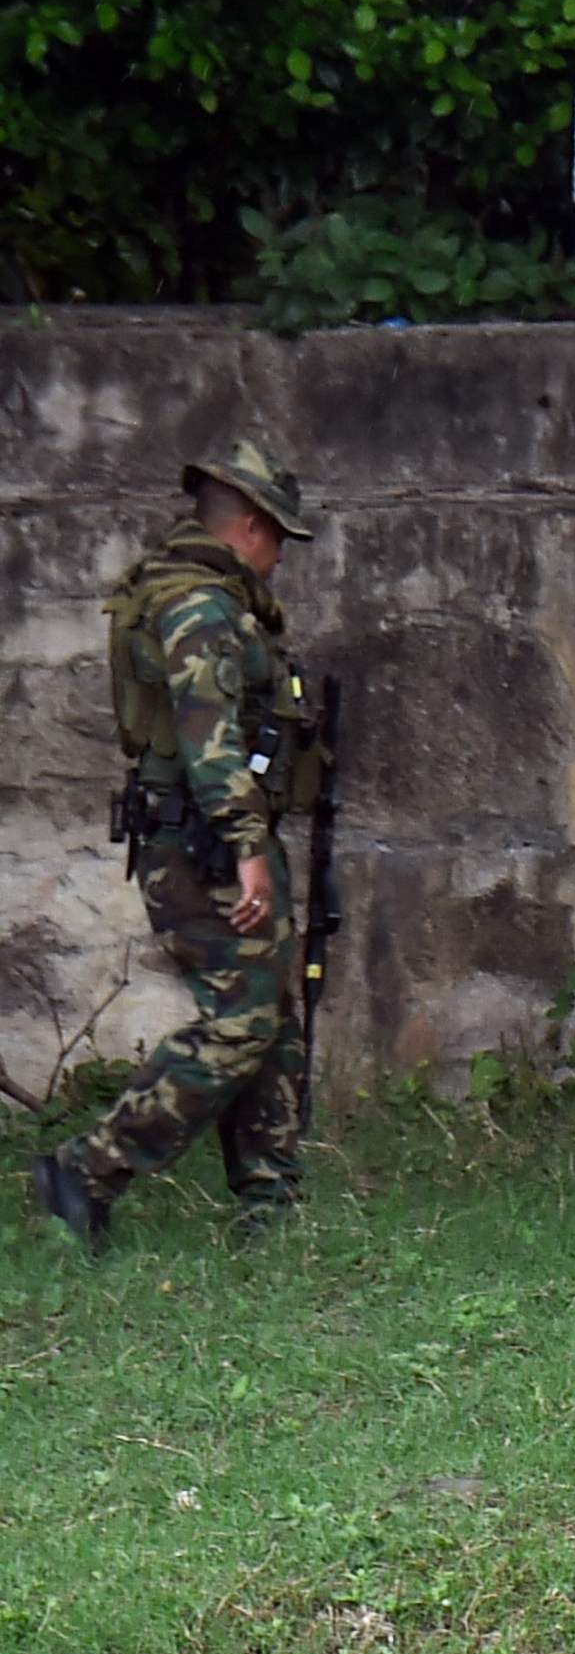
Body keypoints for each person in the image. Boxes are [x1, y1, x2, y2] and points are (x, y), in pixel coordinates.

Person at [37, 443, 327, 1254]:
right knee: (241, 1021)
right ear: (249, 526)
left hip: (210, 836)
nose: (278, 559)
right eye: (277, 539)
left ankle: (270, 1205)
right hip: (204, 847)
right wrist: (247, 846)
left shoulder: (196, 596)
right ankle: (88, 1168)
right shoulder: (202, 608)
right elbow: (210, 744)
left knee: (271, 1018)